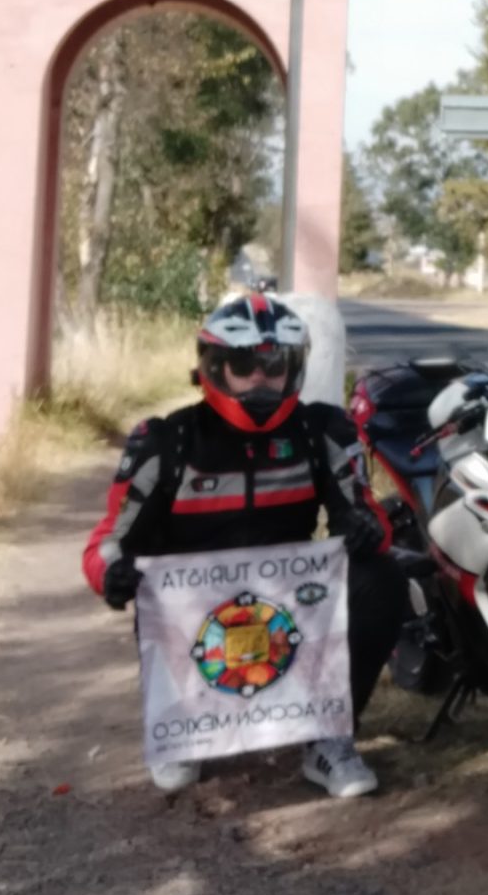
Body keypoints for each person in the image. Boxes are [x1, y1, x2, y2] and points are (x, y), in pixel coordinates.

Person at [81, 289, 409, 798]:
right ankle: (182, 734)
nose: (260, 377)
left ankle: (330, 738)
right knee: (151, 588)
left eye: (274, 363)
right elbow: (108, 540)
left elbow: (366, 512)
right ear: (214, 366)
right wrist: (112, 573)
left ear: (295, 367)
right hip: (194, 615)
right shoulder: (165, 441)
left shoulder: (322, 431)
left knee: (382, 576)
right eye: (243, 363)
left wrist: (363, 529)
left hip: (291, 606)